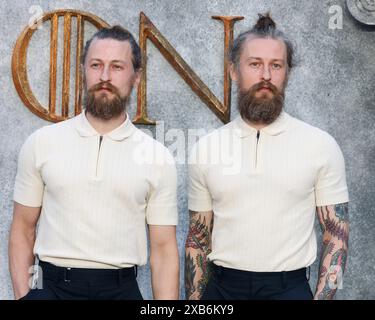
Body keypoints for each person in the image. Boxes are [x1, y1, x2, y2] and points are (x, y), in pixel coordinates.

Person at [185, 13, 349, 300]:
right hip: (222, 290)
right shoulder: (207, 147)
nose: (265, 76)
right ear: (234, 71)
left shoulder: (320, 145)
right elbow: (198, 239)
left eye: (276, 65)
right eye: (255, 64)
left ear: (287, 72)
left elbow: (336, 236)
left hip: (289, 289)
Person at [9, 25, 179, 300]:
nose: (104, 76)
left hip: (121, 290)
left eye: (117, 67)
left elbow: (163, 249)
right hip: (51, 288)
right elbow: (22, 229)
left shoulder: (157, 157)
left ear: (136, 76)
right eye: (96, 65)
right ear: (83, 71)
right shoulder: (41, 143)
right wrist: (26, 296)